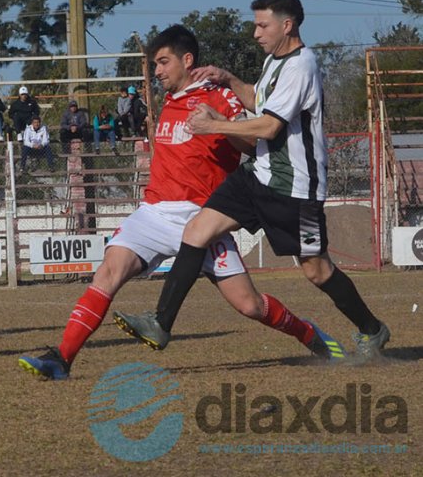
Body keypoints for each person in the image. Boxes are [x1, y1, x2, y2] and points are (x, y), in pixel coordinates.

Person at [18, 25, 345, 381]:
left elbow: (254, 147)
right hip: (154, 212)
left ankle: (308, 334)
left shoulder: (220, 97)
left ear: (187, 60)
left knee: (249, 305)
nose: (157, 71)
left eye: (163, 62)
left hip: (203, 220)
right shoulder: (168, 101)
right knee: (108, 272)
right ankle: (61, 359)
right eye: (155, 65)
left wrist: (218, 124)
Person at [114, 0, 389, 360]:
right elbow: (258, 100)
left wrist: (215, 125)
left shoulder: (301, 65)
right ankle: (161, 323)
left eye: (262, 25)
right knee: (196, 232)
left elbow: (269, 126)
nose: (256, 33)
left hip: (294, 188)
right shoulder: (274, 61)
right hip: (257, 175)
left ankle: (372, 329)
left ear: (287, 25)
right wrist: (228, 78)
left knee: (317, 270)